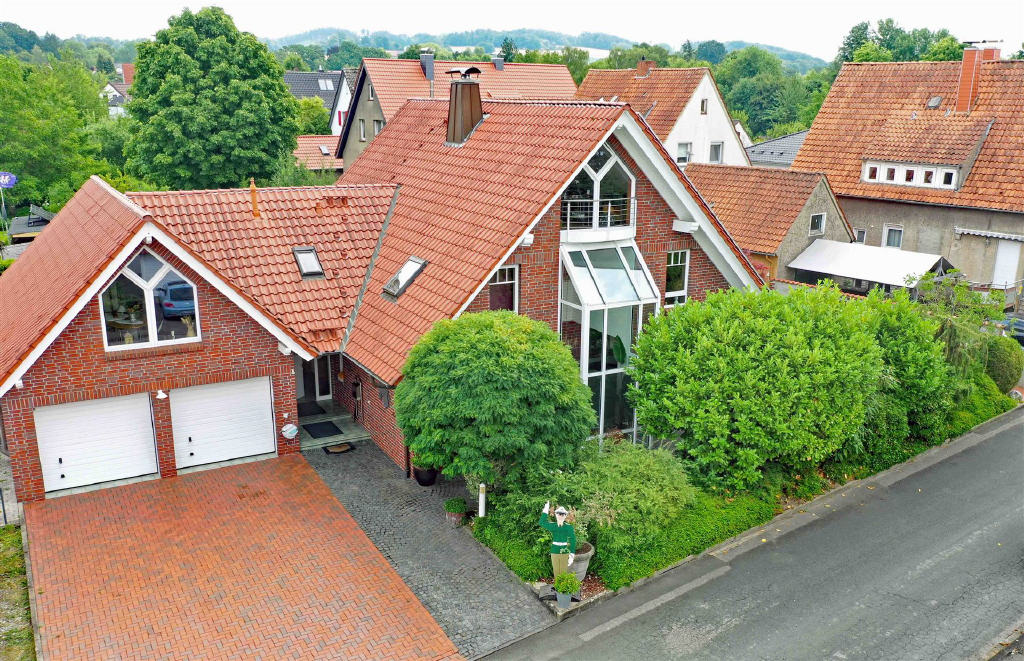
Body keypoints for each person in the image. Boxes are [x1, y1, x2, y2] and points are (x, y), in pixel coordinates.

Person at [538, 501, 576, 579]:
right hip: (554, 549)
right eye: (559, 513)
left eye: (563, 514)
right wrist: (546, 509)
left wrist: (572, 555)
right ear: (555, 514)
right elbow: (542, 522)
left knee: (563, 571)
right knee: (556, 571)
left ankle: (563, 588)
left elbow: (572, 540)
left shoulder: (568, 527)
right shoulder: (553, 526)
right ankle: (558, 587)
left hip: (564, 550)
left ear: (565, 516)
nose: (560, 515)